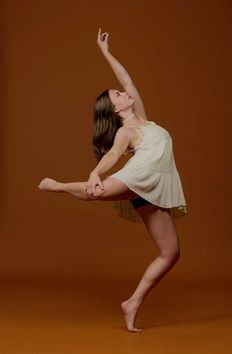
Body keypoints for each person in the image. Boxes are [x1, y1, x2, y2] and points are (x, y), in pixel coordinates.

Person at [38, 28, 187, 333]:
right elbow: (114, 155)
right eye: (117, 95)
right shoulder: (126, 130)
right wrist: (95, 172)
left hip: (153, 188)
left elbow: (128, 80)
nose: (123, 92)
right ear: (117, 109)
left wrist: (105, 52)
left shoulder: (143, 118)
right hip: (140, 175)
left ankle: (132, 302)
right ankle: (60, 186)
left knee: (171, 253)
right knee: (98, 190)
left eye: (119, 91)